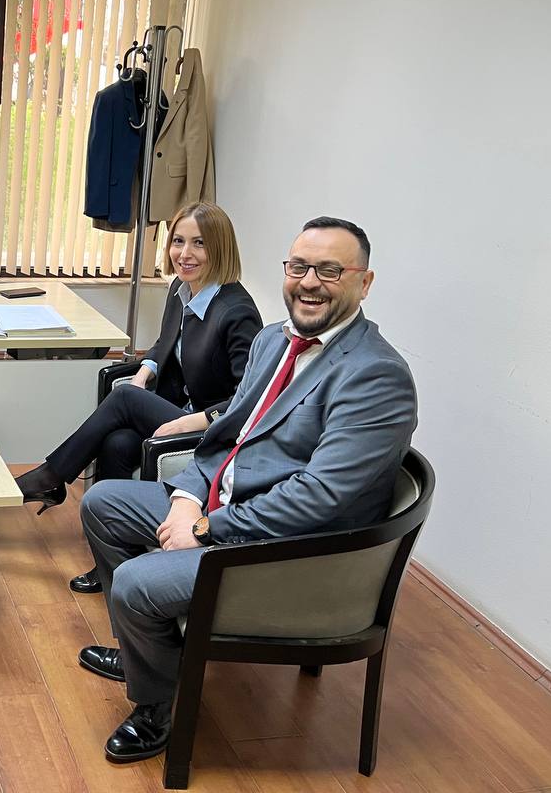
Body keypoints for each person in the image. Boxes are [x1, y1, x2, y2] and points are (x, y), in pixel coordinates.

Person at [76, 217, 418, 764]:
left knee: (138, 583)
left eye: (330, 270)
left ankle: (155, 704)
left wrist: (205, 527)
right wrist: (187, 497)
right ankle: (150, 654)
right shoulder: (272, 341)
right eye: (299, 267)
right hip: (229, 506)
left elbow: (319, 497)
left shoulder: (376, 375)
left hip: (292, 551)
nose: (309, 282)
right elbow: (225, 437)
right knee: (103, 503)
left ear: (364, 282)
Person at [15, 202, 262, 594]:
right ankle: (111, 564)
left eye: (199, 243)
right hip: (178, 409)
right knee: (117, 442)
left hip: (212, 429)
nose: (185, 253)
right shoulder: (182, 288)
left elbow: (249, 400)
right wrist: (146, 370)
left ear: (221, 247)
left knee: (125, 399)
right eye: (178, 241)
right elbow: (167, 341)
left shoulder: (237, 311)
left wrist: (191, 420)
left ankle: (50, 476)